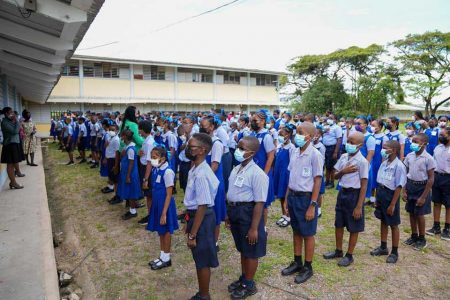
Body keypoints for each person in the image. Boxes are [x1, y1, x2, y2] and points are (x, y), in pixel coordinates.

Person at [225, 136, 268, 299]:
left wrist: (254, 228)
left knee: (251, 251)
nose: (238, 150)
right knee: (243, 248)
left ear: (251, 153)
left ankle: (248, 284)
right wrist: (229, 215)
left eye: (242, 148)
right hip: (236, 212)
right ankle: (244, 278)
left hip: (248, 213)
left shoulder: (258, 174)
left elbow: (259, 203)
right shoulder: (236, 168)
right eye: (238, 147)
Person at [281, 122, 323, 283]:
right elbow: (291, 176)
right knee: (296, 230)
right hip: (293, 196)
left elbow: (317, 181)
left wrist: (312, 205)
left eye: (301, 132)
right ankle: (297, 261)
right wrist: (286, 198)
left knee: (308, 233)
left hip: (306, 198)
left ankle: (308, 266)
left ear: (310, 137)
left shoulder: (315, 155)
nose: (297, 135)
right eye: (297, 132)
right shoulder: (295, 151)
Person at [323, 132, 368, 267]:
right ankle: (338, 250)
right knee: (339, 223)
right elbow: (335, 176)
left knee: (354, 227)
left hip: (354, 195)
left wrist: (359, 206)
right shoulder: (343, 157)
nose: (349, 144)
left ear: (360, 145)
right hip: (342, 193)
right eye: (348, 141)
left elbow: (364, 184)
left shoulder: (362, 162)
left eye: (352, 143)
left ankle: (349, 254)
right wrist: (343, 171)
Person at [183, 133, 219, 300]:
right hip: (196, 216)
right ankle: (202, 293)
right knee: (199, 258)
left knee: (203, 260)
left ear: (202, 150)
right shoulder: (196, 168)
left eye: (191, 147)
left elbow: (203, 205)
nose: (188, 149)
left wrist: (193, 234)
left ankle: (204, 296)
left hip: (202, 219)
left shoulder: (202, 174)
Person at [371, 140, 406, 263]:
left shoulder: (399, 166)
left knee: (393, 224)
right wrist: (376, 198)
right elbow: (379, 181)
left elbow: (398, 186)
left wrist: (392, 204)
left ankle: (394, 252)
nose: (383, 150)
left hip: (391, 195)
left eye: (385, 148)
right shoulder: (384, 163)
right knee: (383, 221)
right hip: (381, 193)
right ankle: (383, 246)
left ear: (394, 150)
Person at [147, 146, 179, 270]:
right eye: (151, 157)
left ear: (163, 158)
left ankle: (167, 258)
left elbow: (169, 194)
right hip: (157, 204)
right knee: (160, 231)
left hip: (165, 206)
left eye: (154, 157)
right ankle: (162, 255)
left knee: (165, 231)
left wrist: (164, 213)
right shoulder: (156, 169)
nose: (152, 160)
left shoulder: (168, 172)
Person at [403, 133, 435, 250]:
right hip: (410, 186)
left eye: (416, 142)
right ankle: (414, 235)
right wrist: (404, 190)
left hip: (422, 187)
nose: (413, 144)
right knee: (411, 212)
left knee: (420, 214)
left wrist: (423, 196)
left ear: (424, 144)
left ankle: (422, 238)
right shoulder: (409, 156)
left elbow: (431, 178)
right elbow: (405, 173)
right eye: (413, 141)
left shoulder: (429, 159)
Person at [200, 116, 226, 249]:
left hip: (213, 183)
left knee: (215, 214)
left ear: (211, 127)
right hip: (204, 181)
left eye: (204, 125)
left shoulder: (216, 143)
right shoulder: (203, 142)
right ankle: (206, 238)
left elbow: (214, 165)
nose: (201, 127)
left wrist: (203, 178)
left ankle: (214, 242)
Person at [250, 110, 275, 228]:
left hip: (262, 173)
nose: (253, 122)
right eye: (252, 120)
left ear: (263, 121)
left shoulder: (267, 136)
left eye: (255, 121)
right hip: (252, 172)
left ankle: (263, 227)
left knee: (263, 203)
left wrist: (264, 174)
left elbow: (270, 156)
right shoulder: (253, 135)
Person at [426, 127, 450, 241]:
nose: (441, 137)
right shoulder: (437, 148)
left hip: (448, 178)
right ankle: (436, 226)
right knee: (436, 202)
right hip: (437, 177)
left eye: (443, 135)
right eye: (440, 135)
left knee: (448, 205)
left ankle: (447, 229)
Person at [117, 129, 143, 220]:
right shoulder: (126, 146)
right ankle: (132, 208)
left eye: (122, 135)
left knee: (131, 192)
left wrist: (128, 176)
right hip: (126, 172)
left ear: (125, 136)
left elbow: (131, 163)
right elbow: (122, 157)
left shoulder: (131, 149)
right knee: (129, 191)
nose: (121, 137)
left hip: (130, 174)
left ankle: (133, 211)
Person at [274, 123, 296, 228]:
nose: (281, 137)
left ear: (289, 135)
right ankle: (284, 214)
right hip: (278, 173)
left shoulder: (291, 148)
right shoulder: (279, 146)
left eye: (283, 135)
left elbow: (292, 164)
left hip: (286, 175)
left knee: (286, 196)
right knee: (281, 196)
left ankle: (289, 216)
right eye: (280, 134)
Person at [136, 120, 155, 225]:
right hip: (145, 168)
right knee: (149, 196)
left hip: (148, 171)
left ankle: (151, 216)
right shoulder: (147, 140)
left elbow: (149, 163)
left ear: (142, 130)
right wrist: (140, 154)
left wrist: (146, 179)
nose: (138, 131)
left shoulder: (149, 143)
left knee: (149, 195)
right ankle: (151, 215)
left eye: (139, 129)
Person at [1, 107, 24, 189]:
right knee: (10, 164)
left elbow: (18, 129)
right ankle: (13, 183)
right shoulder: (4, 122)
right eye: (11, 112)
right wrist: (17, 121)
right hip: (9, 145)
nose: (13, 114)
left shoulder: (10, 121)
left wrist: (16, 122)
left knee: (14, 162)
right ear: (7, 113)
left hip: (14, 143)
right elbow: (15, 131)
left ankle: (12, 182)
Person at [322, 114, 342, 189]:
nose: (329, 119)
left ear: (335, 120)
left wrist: (335, 152)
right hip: (325, 148)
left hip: (332, 148)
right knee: (327, 166)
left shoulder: (337, 128)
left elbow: (339, 139)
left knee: (332, 167)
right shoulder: (326, 127)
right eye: (328, 118)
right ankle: (326, 181)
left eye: (331, 118)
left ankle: (332, 182)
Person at [312, 127, 326, 217]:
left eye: (317, 134)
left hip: (318, 169)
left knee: (319, 191)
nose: (315, 136)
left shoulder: (321, 147)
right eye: (314, 133)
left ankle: (319, 209)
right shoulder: (310, 145)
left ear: (320, 135)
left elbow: (322, 160)